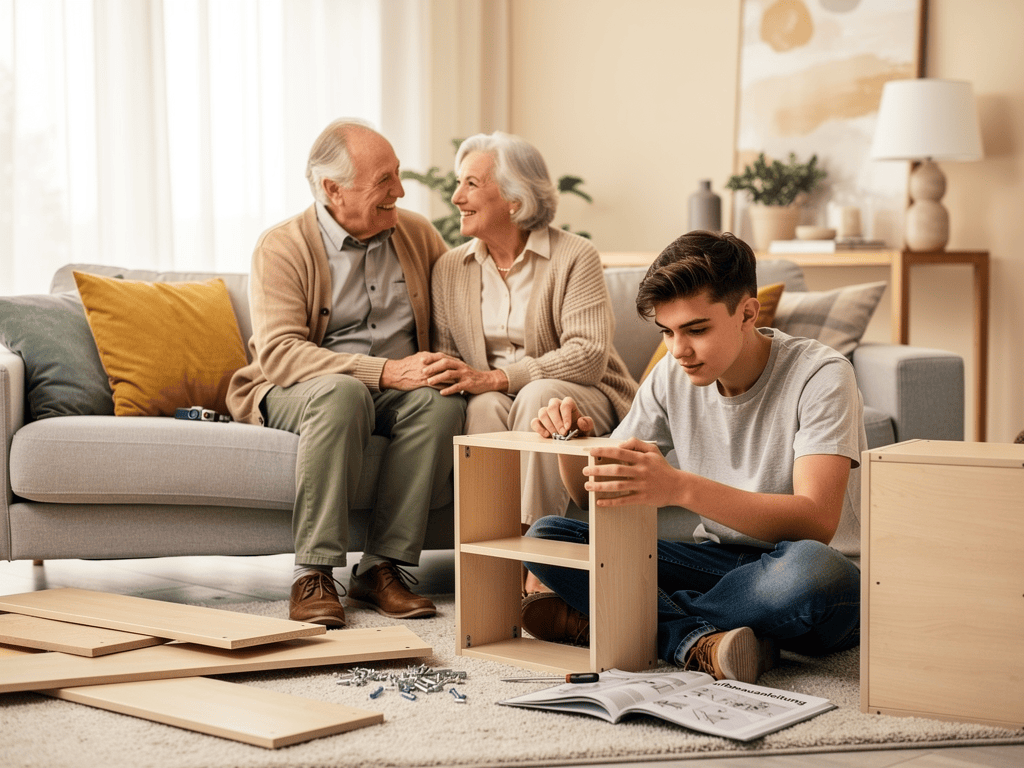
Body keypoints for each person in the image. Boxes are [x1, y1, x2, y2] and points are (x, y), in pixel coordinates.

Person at [522, 230, 864, 684]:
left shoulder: (821, 375)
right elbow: (591, 497)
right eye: (667, 332)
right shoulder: (671, 375)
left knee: (811, 572)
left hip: (808, 573)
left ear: (747, 314)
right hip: (718, 565)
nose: (678, 349)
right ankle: (706, 640)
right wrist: (572, 441)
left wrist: (679, 487)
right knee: (549, 537)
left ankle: (636, 623)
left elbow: (816, 521)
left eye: (696, 330)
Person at [226, 119, 466, 627]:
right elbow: (281, 354)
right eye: (384, 180)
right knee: (343, 394)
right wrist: (384, 371)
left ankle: (381, 568)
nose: (400, 191)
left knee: (440, 401)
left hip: (396, 388)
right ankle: (313, 572)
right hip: (300, 388)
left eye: (397, 174)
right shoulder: (282, 246)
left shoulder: (417, 234)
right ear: (333, 189)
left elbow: (454, 315)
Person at [426, 132, 637, 525]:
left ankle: (536, 545)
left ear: (515, 198)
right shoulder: (449, 269)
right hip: (496, 398)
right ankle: (488, 544)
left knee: (538, 396)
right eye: (458, 183)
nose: (456, 197)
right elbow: (451, 362)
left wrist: (498, 377)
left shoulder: (575, 255)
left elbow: (589, 355)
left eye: (471, 184)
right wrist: (477, 383)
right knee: (484, 406)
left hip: (584, 395)